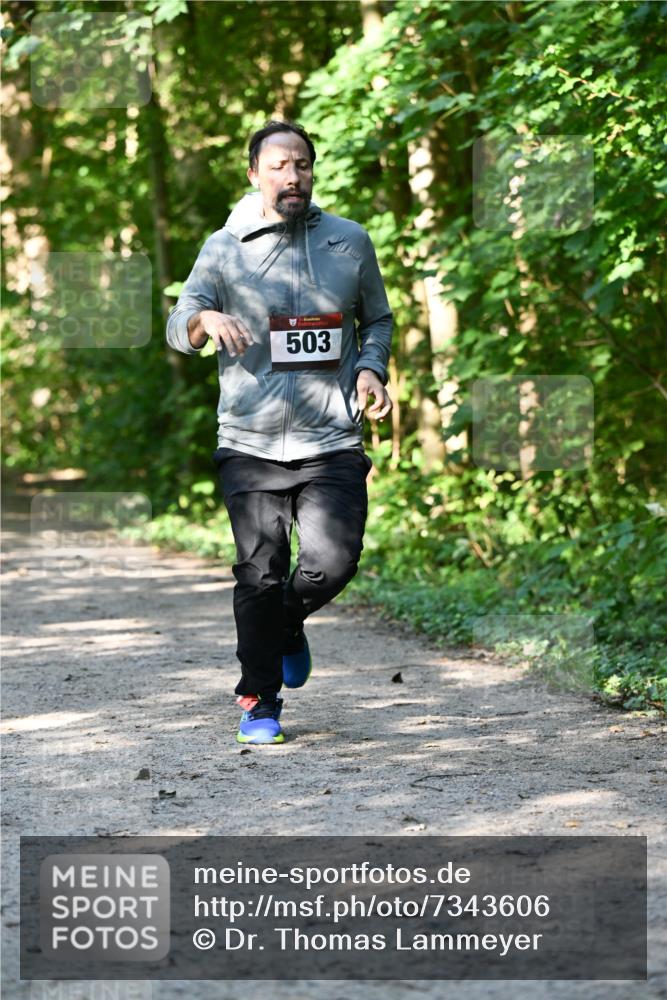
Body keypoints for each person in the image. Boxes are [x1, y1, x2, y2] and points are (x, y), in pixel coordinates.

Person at [166, 119, 393, 745]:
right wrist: (206, 317)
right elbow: (178, 320)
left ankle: (286, 627)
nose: (292, 176)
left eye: (302, 165)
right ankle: (259, 701)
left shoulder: (350, 242)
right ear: (254, 174)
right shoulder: (224, 246)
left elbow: (377, 319)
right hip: (249, 439)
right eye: (278, 166)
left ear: (312, 172)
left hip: (332, 438)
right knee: (259, 574)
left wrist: (371, 369)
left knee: (332, 565)